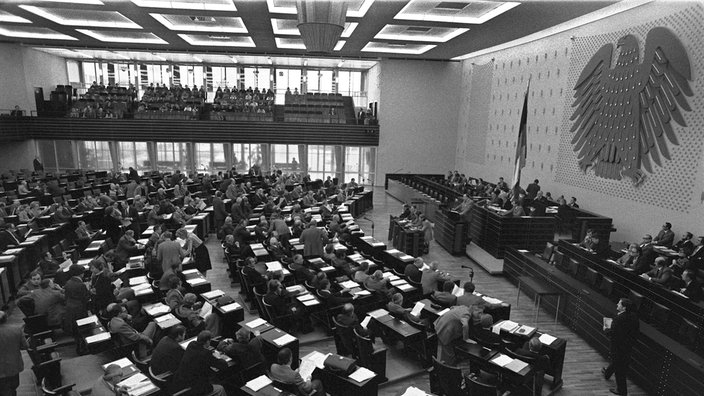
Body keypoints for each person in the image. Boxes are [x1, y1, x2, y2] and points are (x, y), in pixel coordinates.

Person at [169, 331, 228, 396]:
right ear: (208, 341)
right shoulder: (205, 354)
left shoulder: (191, 344)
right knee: (220, 388)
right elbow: (223, 365)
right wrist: (218, 356)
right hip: (194, 388)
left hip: (181, 381)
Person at [602, 298, 639, 396]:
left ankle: (622, 391)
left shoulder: (619, 319)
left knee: (619, 370)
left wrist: (606, 329)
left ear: (624, 308)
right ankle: (607, 373)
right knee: (617, 362)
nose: (617, 305)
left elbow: (613, 333)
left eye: (619, 304)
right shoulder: (634, 317)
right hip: (628, 346)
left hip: (618, 347)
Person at [0, 310, 28, 396]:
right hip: (14, 367)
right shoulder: (16, 330)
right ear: (6, 319)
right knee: (12, 389)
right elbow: (25, 346)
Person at [63, 264, 90, 334]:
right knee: (83, 329)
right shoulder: (81, 285)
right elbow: (86, 298)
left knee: (75, 328)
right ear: (81, 274)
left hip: (70, 308)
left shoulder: (68, 282)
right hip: (80, 309)